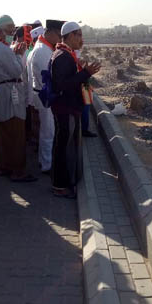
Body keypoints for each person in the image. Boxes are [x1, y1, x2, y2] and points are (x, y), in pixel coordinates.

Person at [49, 21, 101, 198]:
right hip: (65, 108)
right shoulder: (62, 56)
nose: (81, 38)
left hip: (69, 107)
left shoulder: (67, 54)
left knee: (66, 144)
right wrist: (86, 73)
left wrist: (84, 72)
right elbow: (62, 84)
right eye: (78, 35)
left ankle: (66, 181)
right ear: (70, 36)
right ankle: (59, 185)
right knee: (62, 146)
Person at [0, 15, 36, 182]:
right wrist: (18, 55)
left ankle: (5, 166)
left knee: (5, 132)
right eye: (10, 29)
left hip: (3, 92)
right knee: (15, 132)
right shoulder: (2, 48)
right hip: (9, 93)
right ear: (1, 31)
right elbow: (16, 71)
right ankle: (18, 171)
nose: (12, 32)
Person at [28, 20, 62, 174]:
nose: (60, 40)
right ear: (52, 33)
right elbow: (47, 77)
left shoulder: (44, 47)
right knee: (48, 131)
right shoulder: (42, 50)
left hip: (43, 93)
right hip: (44, 94)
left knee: (46, 130)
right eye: (59, 36)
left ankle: (45, 161)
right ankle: (47, 164)